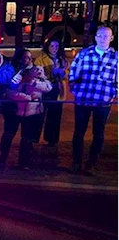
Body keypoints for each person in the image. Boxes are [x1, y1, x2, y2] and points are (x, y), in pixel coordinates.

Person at [68, 26, 118, 175]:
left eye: (106, 36)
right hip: (83, 98)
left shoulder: (116, 57)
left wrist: (114, 93)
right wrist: (75, 89)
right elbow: (73, 72)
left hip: (103, 101)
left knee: (99, 133)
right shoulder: (84, 54)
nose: (103, 39)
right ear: (95, 37)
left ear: (111, 38)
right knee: (79, 132)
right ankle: (76, 162)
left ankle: (91, 164)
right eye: (100, 36)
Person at [4, 65, 51, 169]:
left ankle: (24, 162)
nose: (39, 71)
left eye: (41, 70)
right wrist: (21, 96)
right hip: (17, 112)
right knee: (9, 134)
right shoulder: (19, 80)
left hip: (33, 113)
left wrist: (33, 82)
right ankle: (3, 157)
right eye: (36, 69)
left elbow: (47, 88)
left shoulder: (42, 82)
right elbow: (10, 91)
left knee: (27, 138)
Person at [34, 38, 68, 147]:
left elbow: (68, 73)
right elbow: (36, 74)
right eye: (52, 46)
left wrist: (63, 73)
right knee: (39, 115)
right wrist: (48, 73)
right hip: (44, 90)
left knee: (55, 116)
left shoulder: (62, 59)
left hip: (58, 89)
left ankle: (52, 140)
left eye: (57, 46)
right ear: (47, 47)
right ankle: (33, 139)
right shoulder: (40, 59)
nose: (54, 48)